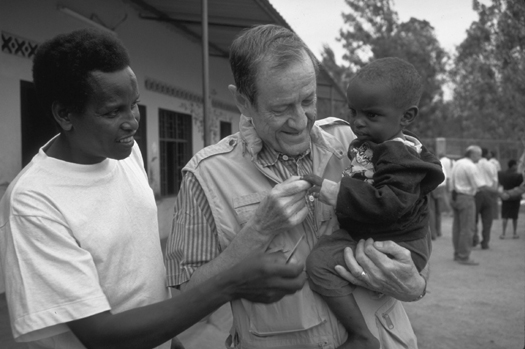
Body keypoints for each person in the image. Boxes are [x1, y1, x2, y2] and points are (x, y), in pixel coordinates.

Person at [0, 28, 307, 349]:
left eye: (134, 104)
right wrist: (230, 283)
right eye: (112, 111)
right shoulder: (33, 202)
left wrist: (172, 342)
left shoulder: (124, 152)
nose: (132, 120)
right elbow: (102, 336)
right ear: (65, 114)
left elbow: (138, 277)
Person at [165, 24, 428, 349]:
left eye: (307, 100)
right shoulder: (205, 176)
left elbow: (409, 222)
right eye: (281, 108)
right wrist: (258, 231)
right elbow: (186, 302)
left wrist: (415, 283)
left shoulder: (358, 144)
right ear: (243, 102)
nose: (301, 120)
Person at [301, 57, 444, 349]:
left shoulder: (399, 154)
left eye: (372, 115)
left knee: (319, 264)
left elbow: (389, 203)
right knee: (328, 251)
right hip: (381, 233)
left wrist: (334, 192)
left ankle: (362, 335)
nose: (357, 122)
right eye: (352, 112)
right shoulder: (376, 144)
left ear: (406, 117)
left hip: (399, 243)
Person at [449, 145, 497, 265]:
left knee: (457, 227)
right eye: (479, 154)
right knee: (467, 228)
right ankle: (464, 256)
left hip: (455, 196)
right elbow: (480, 185)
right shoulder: (471, 166)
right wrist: (499, 192)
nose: (480, 157)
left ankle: (457, 253)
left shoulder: (458, 163)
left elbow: (450, 180)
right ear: (472, 154)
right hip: (466, 197)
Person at [473, 148, 499, 249]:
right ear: (487, 154)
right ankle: (485, 242)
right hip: (489, 193)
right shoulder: (492, 165)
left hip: (477, 193)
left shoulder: (473, 165)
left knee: (473, 219)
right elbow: (495, 182)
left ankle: (474, 239)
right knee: (487, 220)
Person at [498, 159, 524, 239]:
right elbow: (521, 187)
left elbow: (500, 184)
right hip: (515, 197)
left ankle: (503, 233)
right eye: (516, 165)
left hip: (505, 196)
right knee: (514, 216)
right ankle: (514, 233)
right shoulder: (518, 175)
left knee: (505, 216)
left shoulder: (501, 174)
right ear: (513, 166)